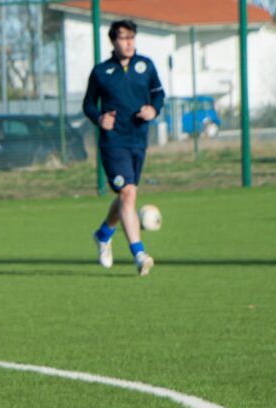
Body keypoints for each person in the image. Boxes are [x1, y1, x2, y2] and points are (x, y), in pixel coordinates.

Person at [83, 19, 164, 276]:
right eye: (123, 38)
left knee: (126, 196)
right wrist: (99, 119)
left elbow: (158, 94)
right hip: (113, 143)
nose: (129, 43)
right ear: (113, 41)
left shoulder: (146, 66)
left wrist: (154, 109)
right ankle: (139, 254)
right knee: (128, 193)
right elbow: (88, 104)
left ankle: (104, 234)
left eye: (132, 38)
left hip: (138, 140)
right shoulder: (101, 72)